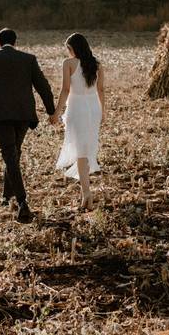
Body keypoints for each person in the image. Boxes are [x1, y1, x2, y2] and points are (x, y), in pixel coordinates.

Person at [0, 28, 55, 223]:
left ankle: (22, 202)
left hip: (1, 115)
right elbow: (43, 86)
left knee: (11, 155)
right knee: (13, 154)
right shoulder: (28, 59)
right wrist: (51, 111)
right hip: (23, 115)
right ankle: (6, 197)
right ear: (15, 42)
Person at [49, 32, 105, 211]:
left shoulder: (68, 64)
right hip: (93, 107)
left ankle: (86, 193)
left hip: (78, 107)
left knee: (81, 151)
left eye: (68, 49)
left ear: (73, 49)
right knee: (87, 148)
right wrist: (103, 112)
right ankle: (85, 190)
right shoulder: (96, 64)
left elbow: (65, 90)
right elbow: (101, 90)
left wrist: (56, 113)